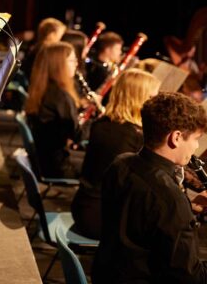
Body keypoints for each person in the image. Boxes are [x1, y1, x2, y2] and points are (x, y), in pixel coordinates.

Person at [92, 92, 207, 283]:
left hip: (107, 274)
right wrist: (182, 211)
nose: (196, 147)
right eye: (196, 139)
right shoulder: (170, 200)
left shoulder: (120, 163)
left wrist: (189, 209)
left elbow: (146, 223)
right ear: (176, 137)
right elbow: (190, 278)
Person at [70, 69, 161, 239]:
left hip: (84, 206)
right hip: (101, 218)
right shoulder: (133, 136)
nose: (155, 104)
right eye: (152, 98)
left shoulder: (103, 122)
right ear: (139, 99)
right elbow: (134, 190)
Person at [24, 41, 81, 178]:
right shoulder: (61, 96)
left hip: (44, 161)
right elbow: (77, 135)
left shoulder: (45, 89)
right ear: (59, 65)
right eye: (72, 60)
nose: (76, 64)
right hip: (58, 167)